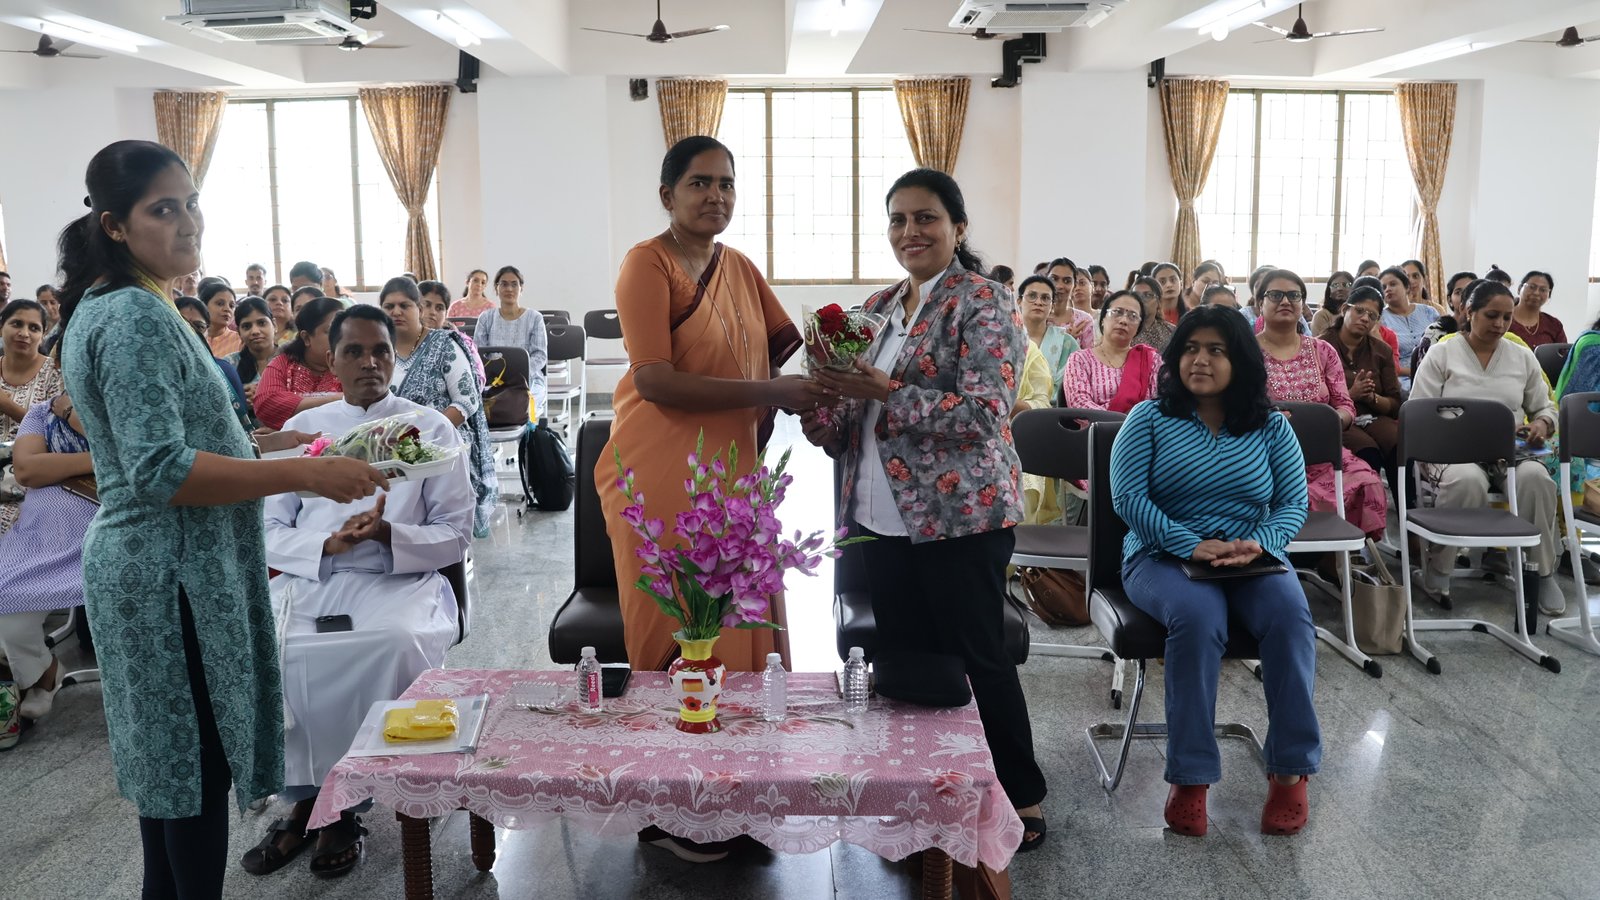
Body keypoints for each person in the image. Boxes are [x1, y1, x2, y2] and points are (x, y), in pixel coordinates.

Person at [55, 139, 387, 900]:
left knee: (172, 779)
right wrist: (303, 474)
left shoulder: (129, 302)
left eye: (192, 202)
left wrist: (277, 444)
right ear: (114, 225)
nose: (187, 222)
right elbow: (160, 469)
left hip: (164, 564)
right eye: (162, 209)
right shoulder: (134, 315)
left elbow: (171, 440)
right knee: (192, 774)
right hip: (167, 572)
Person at [804, 167, 1048, 858]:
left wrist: (884, 388)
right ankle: (921, 795)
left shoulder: (985, 300)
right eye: (898, 219)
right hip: (878, 513)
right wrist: (825, 413)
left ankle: (1019, 795)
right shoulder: (878, 306)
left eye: (926, 218)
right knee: (906, 659)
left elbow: (984, 413)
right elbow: (858, 410)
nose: (910, 231)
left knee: (979, 655)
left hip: (959, 516)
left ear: (958, 227)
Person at [245, 306, 472, 880]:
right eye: (354, 351)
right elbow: (269, 529)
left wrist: (388, 533)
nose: (369, 362)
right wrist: (327, 543)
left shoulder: (429, 428)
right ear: (332, 360)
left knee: (391, 641)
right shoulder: (308, 431)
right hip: (314, 575)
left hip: (400, 580)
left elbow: (455, 532)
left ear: (395, 360)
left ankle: (353, 797)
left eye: (381, 351)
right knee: (278, 649)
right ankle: (307, 802)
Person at [598, 135, 815, 684]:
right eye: (699, 183)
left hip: (733, 471)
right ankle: (673, 735)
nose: (716, 195)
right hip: (660, 473)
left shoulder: (739, 266)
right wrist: (773, 394)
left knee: (740, 609)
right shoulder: (647, 263)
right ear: (667, 195)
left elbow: (765, 362)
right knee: (677, 622)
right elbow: (654, 381)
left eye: (726, 184)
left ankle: (739, 733)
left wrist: (823, 392)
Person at [1111, 304, 1320, 838]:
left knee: (1292, 620)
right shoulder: (1148, 418)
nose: (1199, 360)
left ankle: (1290, 769)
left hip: (1251, 556)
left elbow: (1292, 504)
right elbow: (1128, 499)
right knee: (1198, 619)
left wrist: (1260, 543)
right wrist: (1190, 544)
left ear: (1240, 360)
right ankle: (1192, 775)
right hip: (1160, 554)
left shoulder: (1271, 425)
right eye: (1190, 349)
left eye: (1215, 350)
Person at [1411, 279, 1566, 615]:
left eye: (1507, 317)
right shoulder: (1443, 353)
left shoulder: (1521, 356)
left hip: (1510, 450)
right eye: (1492, 315)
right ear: (1470, 312)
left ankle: (1540, 572)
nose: (1500, 324)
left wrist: (1541, 424)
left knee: (1536, 480)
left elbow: (1546, 407)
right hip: (1452, 451)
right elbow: (1418, 411)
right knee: (1465, 481)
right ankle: (1439, 568)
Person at [1256, 269, 1388, 540]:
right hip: (1265, 456)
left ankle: (1338, 556)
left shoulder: (1323, 351)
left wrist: (1326, 422)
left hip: (1321, 455)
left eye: (1294, 295)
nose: (1285, 301)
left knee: (1368, 483)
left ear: (1303, 304)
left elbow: (1345, 405)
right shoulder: (1245, 352)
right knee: (1292, 496)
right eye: (1276, 295)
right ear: (1260, 304)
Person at [0, 394, 94, 729]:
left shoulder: (118, 404)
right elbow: (27, 470)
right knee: (5, 598)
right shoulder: (41, 412)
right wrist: (99, 459)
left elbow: (128, 454)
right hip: (38, 531)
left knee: (9, 609)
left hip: (98, 526)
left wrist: (69, 414)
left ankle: (40, 678)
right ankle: (43, 672)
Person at [380, 276, 497, 538]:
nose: (396, 312)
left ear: (418, 308)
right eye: (389, 306)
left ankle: (442, 546)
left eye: (404, 305)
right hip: (387, 444)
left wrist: (423, 436)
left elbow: (467, 399)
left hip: (442, 441)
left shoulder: (445, 344)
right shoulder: (377, 350)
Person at [1320, 284, 1402, 495]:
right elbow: (1315, 399)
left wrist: (1372, 397)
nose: (1365, 318)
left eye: (1372, 316)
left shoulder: (1382, 350)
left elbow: (1395, 403)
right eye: (1359, 311)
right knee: (1367, 451)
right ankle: (1366, 510)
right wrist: (1351, 394)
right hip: (1337, 420)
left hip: (1374, 416)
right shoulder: (1320, 346)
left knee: (1398, 442)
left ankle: (1407, 510)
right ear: (1345, 309)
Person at [0, 299, 65, 535]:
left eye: (34, 328)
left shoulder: (54, 373)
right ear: (2, 326)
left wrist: (8, 405)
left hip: (28, 481)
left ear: (43, 334)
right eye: (17, 324)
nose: (24, 333)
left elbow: (56, 433)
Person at [255, 296, 345, 430]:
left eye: (344, 331)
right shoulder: (283, 363)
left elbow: (366, 402)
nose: (342, 338)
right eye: (332, 331)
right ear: (306, 337)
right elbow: (267, 404)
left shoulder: (350, 364)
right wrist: (342, 399)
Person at [1064, 290, 1161, 412]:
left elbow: (1160, 402)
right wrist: (1118, 421)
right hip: (1095, 424)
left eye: (1132, 316)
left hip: (1142, 423)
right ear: (1103, 319)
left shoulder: (1151, 360)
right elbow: (1079, 403)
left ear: (1138, 327)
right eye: (1117, 312)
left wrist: (1135, 422)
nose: (1124, 321)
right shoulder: (1080, 359)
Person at [474, 265, 549, 417]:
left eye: (514, 284)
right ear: (496, 288)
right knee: (477, 403)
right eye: (504, 284)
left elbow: (540, 355)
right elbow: (478, 354)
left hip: (528, 380)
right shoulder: (486, 318)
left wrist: (517, 374)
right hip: (493, 380)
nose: (509, 289)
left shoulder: (534, 318)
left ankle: (527, 432)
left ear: (521, 288)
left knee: (524, 404)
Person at [1018, 274, 1077, 402]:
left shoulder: (1067, 343)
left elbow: (1074, 387)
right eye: (1032, 296)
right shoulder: (1004, 340)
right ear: (1019, 301)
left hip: (1054, 411)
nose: (1038, 302)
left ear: (1052, 306)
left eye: (1045, 298)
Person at [1379, 266, 1438, 390]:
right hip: (1402, 377)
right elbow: (1384, 361)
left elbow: (1443, 343)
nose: (1388, 289)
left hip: (1435, 370)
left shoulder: (1429, 312)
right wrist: (1416, 371)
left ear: (1406, 287)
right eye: (1384, 287)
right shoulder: (1381, 319)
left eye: (1393, 284)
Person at [418, 279, 486, 385]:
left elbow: (478, 380)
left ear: (446, 313)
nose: (432, 312)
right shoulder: (403, 341)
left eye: (439, 308)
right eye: (427, 305)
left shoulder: (461, 342)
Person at [226, 296, 277, 405]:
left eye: (261, 323)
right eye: (246, 326)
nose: (255, 331)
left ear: (274, 325)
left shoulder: (292, 360)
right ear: (239, 332)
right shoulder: (229, 364)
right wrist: (239, 396)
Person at [1508, 270, 1566, 348]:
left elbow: (1563, 353)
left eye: (1543, 290)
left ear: (1549, 295)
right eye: (1532, 287)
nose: (1536, 293)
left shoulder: (1554, 325)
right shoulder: (1504, 318)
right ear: (1519, 289)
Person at [1046, 257, 1095, 347]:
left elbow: (1088, 354)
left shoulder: (1083, 321)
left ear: (1074, 285)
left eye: (1067, 281)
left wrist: (1071, 343)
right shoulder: (1038, 316)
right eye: (1054, 279)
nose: (1059, 286)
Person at [198, 279, 241, 359]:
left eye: (231, 306)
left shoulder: (240, 341)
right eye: (220, 304)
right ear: (204, 305)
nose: (227, 309)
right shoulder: (194, 338)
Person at [1130, 275, 1174, 352]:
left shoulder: (1171, 331)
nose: (1141, 300)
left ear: (1159, 302)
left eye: (1148, 295)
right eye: (1136, 296)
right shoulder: (1125, 329)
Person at [1310, 270, 1352, 335]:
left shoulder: (1358, 314)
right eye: (1335, 285)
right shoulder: (1322, 315)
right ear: (1329, 291)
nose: (1339, 288)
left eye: (1345, 285)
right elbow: (1321, 340)